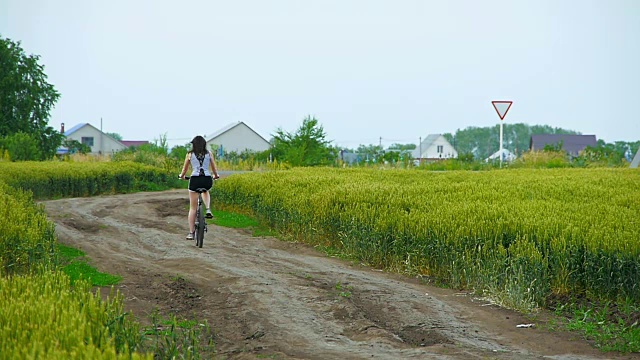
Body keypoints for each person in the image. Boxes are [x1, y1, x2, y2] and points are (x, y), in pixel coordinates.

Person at [179, 136, 220, 240]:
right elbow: (214, 168)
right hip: (206, 179)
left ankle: (191, 233)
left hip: (195, 179)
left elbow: (185, 169)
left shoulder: (189, 154)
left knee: (192, 208)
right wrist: (216, 175)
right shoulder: (209, 153)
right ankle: (208, 209)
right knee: (206, 191)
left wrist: (182, 176)